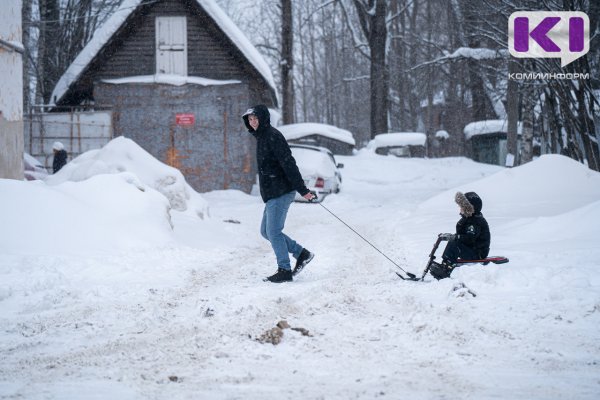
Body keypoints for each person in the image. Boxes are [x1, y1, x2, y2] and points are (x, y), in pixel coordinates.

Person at [242, 105, 316, 283]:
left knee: (273, 231)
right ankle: (301, 253)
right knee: (265, 231)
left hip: (281, 191)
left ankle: (284, 269)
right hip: (273, 192)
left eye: (255, 118)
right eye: (250, 119)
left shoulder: (273, 137)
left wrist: (303, 190)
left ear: (263, 118)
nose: (252, 122)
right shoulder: (262, 137)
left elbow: (288, 163)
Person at [429, 191, 491, 280]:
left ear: (469, 208)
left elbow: (470, 238)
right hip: (472, 249)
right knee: (453, 242)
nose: (460, 208)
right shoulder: (469, 219)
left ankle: (446, 270)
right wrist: (454, 236)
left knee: (455, 245)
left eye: (462, 207)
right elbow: (464, 236)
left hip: (478, 253)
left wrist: (456, 237)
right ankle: (445, 263)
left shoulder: (475, 221)